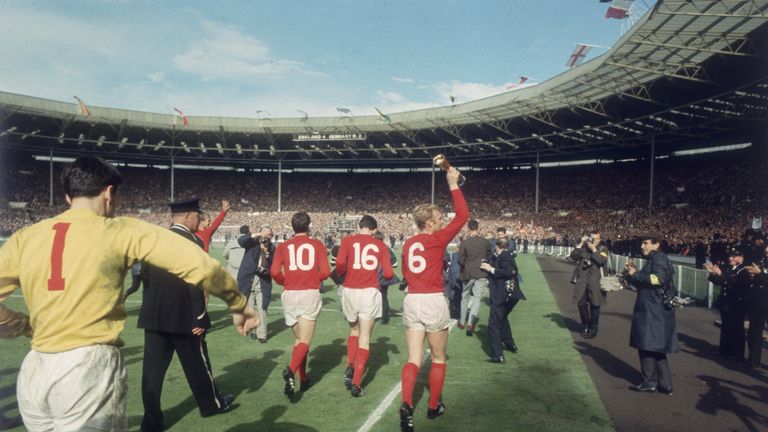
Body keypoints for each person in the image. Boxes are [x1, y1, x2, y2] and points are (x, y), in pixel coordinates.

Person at [0, 156, 258, 431]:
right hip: (85, 367)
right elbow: (198, 264)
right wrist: (237, 302)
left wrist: (25, 326)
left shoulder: (25, 237)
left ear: (67, 196)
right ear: (109, 192)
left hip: (35, 369)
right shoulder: (120, 229)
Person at [138, 198, 245, 431]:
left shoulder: (154, 238)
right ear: (188, 216)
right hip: (184, 317)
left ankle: (151, 421)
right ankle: (211, 405)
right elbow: (195, 280)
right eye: (197, 215)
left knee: (152, 372)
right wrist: (200, 317)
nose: (199, 220)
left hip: (155, 316)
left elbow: (143, 274)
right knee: (197, 363)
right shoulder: (192, 241)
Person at [399, 167, 468, 432]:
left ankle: (406, 403)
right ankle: (433, 405)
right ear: (429, 223)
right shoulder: (437, 239)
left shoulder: (408, 244)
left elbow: (406, 273)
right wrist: (453, 184)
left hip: (411, 301)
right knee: (438, 358)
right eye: (439, 218)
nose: (443, 221)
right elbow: (463, 215)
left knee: (413, 358)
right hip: (432, 300)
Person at [270, 212, 331, 399]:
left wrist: (284, 281)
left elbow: (274, 271)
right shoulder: (317, 245)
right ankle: (290, 370)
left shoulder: (283, 246)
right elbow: (327, 272)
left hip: (289, 294)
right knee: (305, 341)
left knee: (298, 341)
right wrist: (313, 278)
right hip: (308, 294)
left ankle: (303, 378)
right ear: (309, 226)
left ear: (292, 226)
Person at [335, 215, 395, 396]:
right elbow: (389, 273)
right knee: (365, 338)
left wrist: (343, 274)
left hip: (349, 291)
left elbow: (339, 264)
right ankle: (356, 383)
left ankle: (349, 366)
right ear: (374, 230)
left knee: (353, 331)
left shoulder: (347, 241)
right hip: (369, 292)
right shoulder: (380, 245)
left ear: (359, 226)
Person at [626, 232, 678, 395]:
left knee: (647, 345)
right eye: (642, 243)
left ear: (657, 245)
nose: (642, 246)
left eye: (646, 243)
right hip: (654, 308)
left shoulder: (659, 258)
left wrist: (635, 275)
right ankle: (665, 384)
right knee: (656, 348)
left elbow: (657, 279)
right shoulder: (656, 258)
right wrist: (632, 275)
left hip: (652, 310)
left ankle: (649, 382)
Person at [481, 236, 525, 363]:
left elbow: (507, 272)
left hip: (501, 295)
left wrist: (491, 269)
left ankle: (498, 355)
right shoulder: (505, 256)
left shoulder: (504, 257)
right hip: (511, 295)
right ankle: (510, 345)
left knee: (493, 324)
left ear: (497, 246)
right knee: (503, 319)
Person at [706, 248, 750, 360]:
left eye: (734, 256)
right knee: (726, 327)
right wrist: (712, 273)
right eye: (730, 256)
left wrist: (721, 274)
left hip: (736, 304)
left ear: (741, 258)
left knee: (737, 329)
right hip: (726, 302)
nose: (730, 258)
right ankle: (724, 351)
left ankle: (737, 354)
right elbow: (719, 282)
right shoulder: (729, 269)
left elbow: (734, 281)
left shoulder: (744, 270)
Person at [238, 226, 276, 343]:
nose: (268, 237)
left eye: (270, 235)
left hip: (263, 281)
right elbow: (241, 241)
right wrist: (256, 235)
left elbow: (274, 264)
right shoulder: (251, 242)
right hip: (248, 278)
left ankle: (262, 335)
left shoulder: (272, 248)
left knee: (262, 307)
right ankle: (253, 330)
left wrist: (266, 252)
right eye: (266, 234)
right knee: (250, 308)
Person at [570, 230, 609, 339]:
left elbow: (602, 260)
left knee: (595, 306)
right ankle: (586, 324)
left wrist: (594, 249)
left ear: (599, 240)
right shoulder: (583, 248)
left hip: (596, 282)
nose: (594, 241)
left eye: (596, 239)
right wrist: (581, 243)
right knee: (581, 304)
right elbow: (573, 256)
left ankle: (593, 328)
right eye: (592, 239)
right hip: (582, 282)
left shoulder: (603, 249)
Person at [457, 219, 492, 336]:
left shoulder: (464, 243)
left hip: (468, 273)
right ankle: (471, 323)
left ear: (468, 228)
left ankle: (462, 321)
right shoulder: (485, 242)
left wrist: (466, 265)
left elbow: (460, 259)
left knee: (465, 296)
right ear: (478, 228)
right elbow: (489, 255)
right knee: (477, 298)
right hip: (481, 272)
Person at [745, 242, 768, 368]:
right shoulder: (761, 261)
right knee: (754, 332)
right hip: (758, 302)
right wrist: (752, 275)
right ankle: (753, 359)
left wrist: (760, 274)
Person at [373, 230, 400, 325]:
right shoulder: (386, 249)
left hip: (373, 275)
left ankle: (374, 315)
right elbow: (395, 264)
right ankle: (385, 318)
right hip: (385, 275)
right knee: (384, 296)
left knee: (373, 296)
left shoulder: (371, 248)